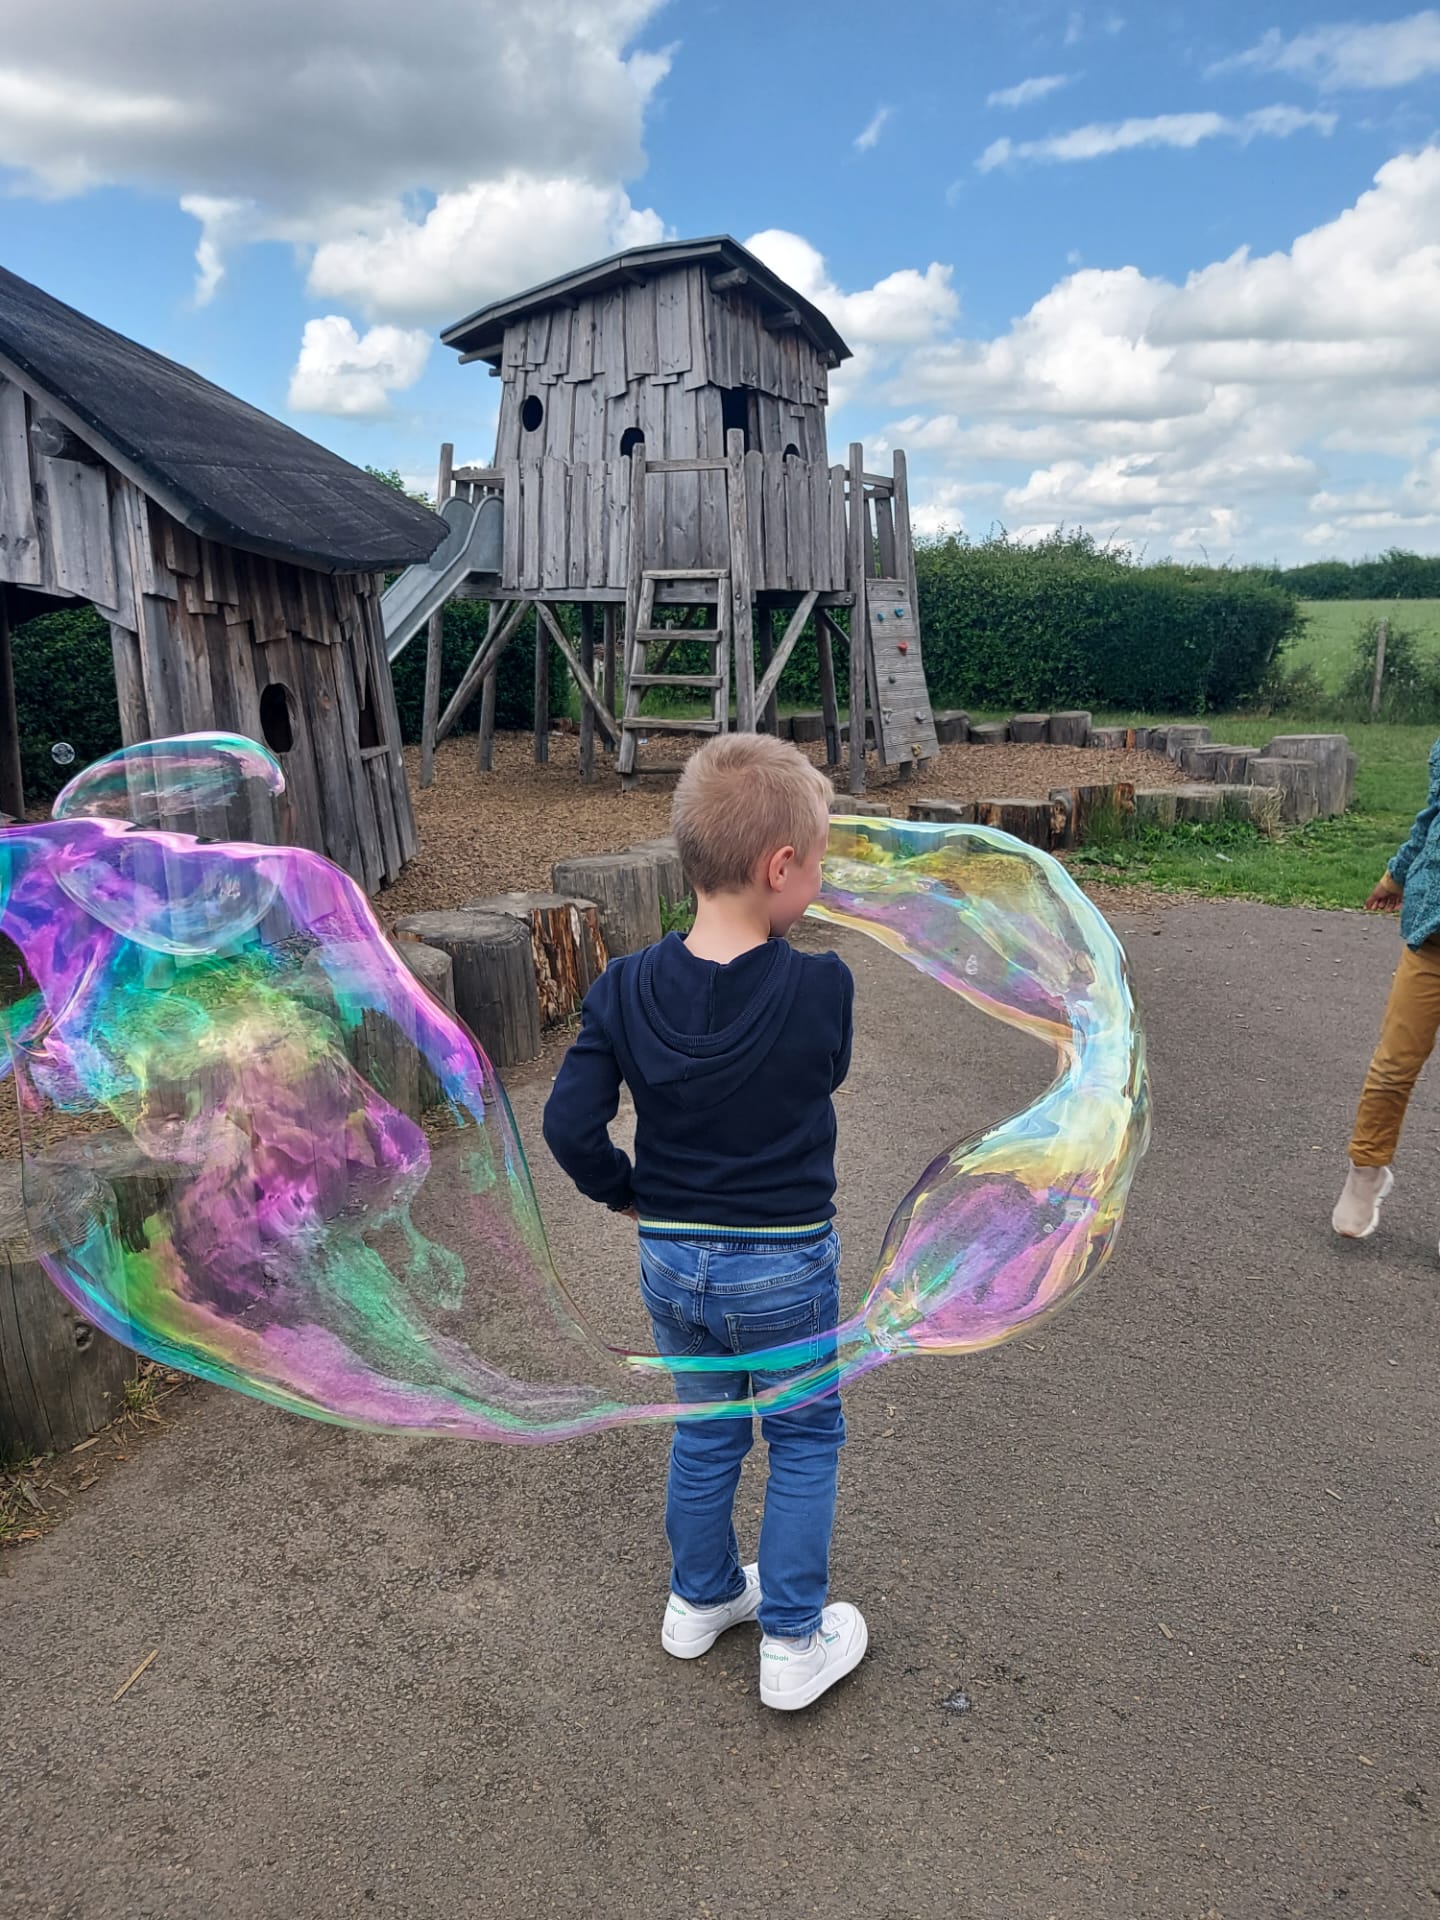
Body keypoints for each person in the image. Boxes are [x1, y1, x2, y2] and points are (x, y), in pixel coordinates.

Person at [542, 732, 865, 1711]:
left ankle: (701, 1597)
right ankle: (793, 1642)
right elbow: (825, 1075)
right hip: (784, 1265)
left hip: (671, 1260)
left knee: (708, 1425)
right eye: (818, 863)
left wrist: (624, 1190)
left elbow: (568, 1126)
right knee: (802, 1437)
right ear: (781, 867)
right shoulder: (822, 987)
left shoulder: (622, 987)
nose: (819, 880)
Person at [1334, 735, 1440, 1239]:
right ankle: (1365, 1171)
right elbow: (1430, 820)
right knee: (1393, 1066)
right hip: (1431, 939)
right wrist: (1396, 875)